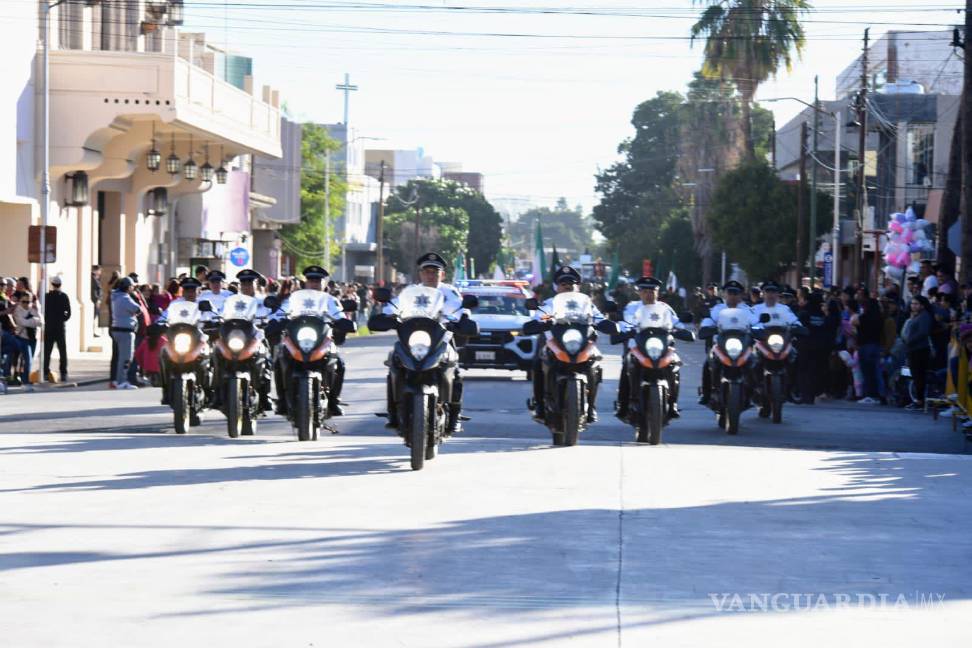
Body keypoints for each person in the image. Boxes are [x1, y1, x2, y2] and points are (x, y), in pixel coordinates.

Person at [382, 253, 469, 433]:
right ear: (420, 274)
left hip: (441, 338)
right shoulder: (410, 292)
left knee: (455, 371)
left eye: (435, 272)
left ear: (442, 275)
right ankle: (393, 412)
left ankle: (454, 415)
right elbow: (395, 306)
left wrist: (460, 319)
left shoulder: (449, 292)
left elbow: (459, 308)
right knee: (394, 364)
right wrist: (389, 314)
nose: (430, 276)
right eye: (426, 271)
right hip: (413, 339)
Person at [530, 265, 606, 423]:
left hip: (581, 341)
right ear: (556, 286)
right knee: (538, 362)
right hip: (555, 341)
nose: (567, 286)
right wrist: (544, 321)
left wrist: (607, 324)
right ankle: (539, 405)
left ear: (577, 286)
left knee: (596, 363)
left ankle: (591, 406)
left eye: (571, 283)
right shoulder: (549, 303)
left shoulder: (587, 303)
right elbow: (541, 316)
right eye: (563, 283)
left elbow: (598, 318)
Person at [273, 265, 348, 418]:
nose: (314, 283)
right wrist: (275, 320)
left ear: (324, 283)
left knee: (339, 363)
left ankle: (333, 401)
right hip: (297, 338)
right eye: (311, 280)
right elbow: (281, 312)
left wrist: (343, 322)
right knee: (279, 360)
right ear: (305, 282)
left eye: (318, 280)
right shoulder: (294, 298)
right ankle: (282, 401)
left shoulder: (330, 300)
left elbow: (339, 315)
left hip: (322, 339)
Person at [616, 276, 688, 421]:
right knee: (627, 366)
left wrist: (680, 330)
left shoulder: (665, 308)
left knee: (675, 365)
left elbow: (677, 323)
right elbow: (626, 322)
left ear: (657, 292)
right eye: (645, 291)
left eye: (652, 291)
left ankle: (672, 403)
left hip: (662, 346)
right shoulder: (632, 307)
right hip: (638, 346)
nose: (649, 294)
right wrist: (624, 330)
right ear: (639, 292)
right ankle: (624, 406)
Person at [698, 280, 754, 405]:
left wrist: (759, 330)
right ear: (724, 294)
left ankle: (751, 392)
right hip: (721, 345)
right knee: (708, 364)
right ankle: (707, 394)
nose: (733, 296)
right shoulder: (717, 309)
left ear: (740, 295)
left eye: (736, 293)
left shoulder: (747, 309)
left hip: (742, 345)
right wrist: (706, 327)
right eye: (730, 293)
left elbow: (756, 322)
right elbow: (709, 320)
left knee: (753, 362)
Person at [902, 295, 935, 410]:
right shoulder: (916, 316)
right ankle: (918, 399)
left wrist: (910, 341)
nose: (913, 306)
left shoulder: (924, 316)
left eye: (916, 304)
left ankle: (920, 400)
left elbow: (923, 332)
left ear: (922, 305)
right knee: (916, 376)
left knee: (919, 376)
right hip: (913, 349)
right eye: (912, 304)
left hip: (920, 350)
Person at [110, 277, 142, 390]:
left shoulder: (115, 296)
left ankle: (117, 380)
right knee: (126, 358)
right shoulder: (125, 298)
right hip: (126, 330)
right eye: (132, 286)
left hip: (117, 329)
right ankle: (122, 381)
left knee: (120, 357)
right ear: (128, 287)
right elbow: (138, 309)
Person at [855, 297, 885, 404]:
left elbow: (854, 322)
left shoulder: (863, 317)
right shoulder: (880, 318)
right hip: (875, 346)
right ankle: (877, 395)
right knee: (875, 372)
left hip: (865, 346)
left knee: (867, 372)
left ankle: (869, 395)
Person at [43, 276, 71, 382]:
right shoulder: (64, 296)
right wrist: (62, 319)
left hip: (49, 327)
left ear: (52, 284)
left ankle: (45, 372)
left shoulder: (46, 296)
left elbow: (43, 311)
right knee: (62, 351)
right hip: (60, 327)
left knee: (47, 352)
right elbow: (68, 313)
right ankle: (63, 373)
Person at [91, 266, 102, 337]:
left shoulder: (95, 278)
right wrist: (97, 300)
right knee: (94, 317)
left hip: (96, 301)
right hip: (95, 301)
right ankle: (93, 332)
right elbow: (94, 291)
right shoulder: (93, 278)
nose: (100, 272)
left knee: (95, 317)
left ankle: (93, 332)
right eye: (99, 270)